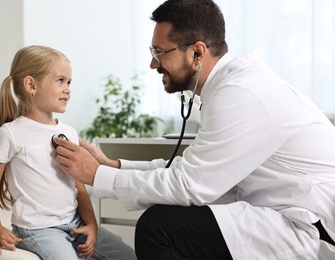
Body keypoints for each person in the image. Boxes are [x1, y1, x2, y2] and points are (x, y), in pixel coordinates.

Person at [53, 0, 335, 259]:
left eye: (159, 52)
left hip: (310, 224)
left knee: (159, 227)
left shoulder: (240, 94)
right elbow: (194, 171)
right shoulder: (231, 89)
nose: (153, 63)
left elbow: (190, 184)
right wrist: (113, 165)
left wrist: (96, 175)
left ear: (197, 52)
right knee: (172, 220)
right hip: (284, 211)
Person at [0, 45, 136, 260]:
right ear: (30, 85)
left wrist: (91, 224)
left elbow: (79, 185)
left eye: (69, 82)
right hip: (39, 229)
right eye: (60, 81)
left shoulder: (68, 132)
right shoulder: (11, 134)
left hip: (75, 223)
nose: (68, 89)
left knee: (128, 256)